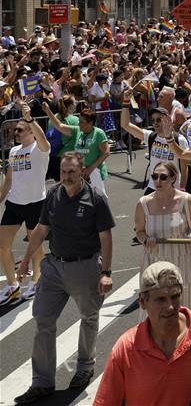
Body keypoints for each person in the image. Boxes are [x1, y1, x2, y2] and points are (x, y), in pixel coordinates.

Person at [13, 152, 114, 404]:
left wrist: (106, 273)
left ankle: (84, 367)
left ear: (81, 171)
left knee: (88, 317)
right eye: (63, 171)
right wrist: (25, 261)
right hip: (54, 267)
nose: (66, 176)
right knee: (43, 319)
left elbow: (106, 238)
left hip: (85, 266)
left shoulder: (96, 199)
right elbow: (41, 230)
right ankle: (42, 382)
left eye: (71, 171)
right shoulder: (53, 195)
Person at [93, 261, 191, 406]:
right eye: (161, 299)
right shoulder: (126, 349)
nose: (170, 306)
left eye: (175, 297)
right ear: (143, 302)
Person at [134, 161, 191, 317]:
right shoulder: (143, 203)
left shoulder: (187, 200)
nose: (158, 181)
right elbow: (140, 231)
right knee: (159, 308)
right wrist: (145, 239)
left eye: (163, 177)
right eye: (154, 176)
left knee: (189, 305)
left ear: (173, 178)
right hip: (156, 262)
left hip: (184, 261)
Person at [0, 102, 51, 305]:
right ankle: (12, 286)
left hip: (35, 203)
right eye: (15, 130)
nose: (16, 133)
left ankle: (37, 281)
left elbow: (44, 140)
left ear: (31, 131)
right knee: (3, 246)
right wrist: (1, 197)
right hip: (14, 204)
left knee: (36, 246)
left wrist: (30, 118)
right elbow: (9, 179)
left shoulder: (40, 149)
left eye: (20, 129)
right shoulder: (13, 152)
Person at [120, 93, 189, 192]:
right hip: (153, 187)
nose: (155, 123)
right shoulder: (150, 136)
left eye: (159, 120)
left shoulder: (180, 140)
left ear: (167, 119)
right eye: (153, 120)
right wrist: (126, 102)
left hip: (173, 188)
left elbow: (184, 168)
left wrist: (182, 189)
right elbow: (125, 124)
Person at [42, 104, 111, 199]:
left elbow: (106, 153)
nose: (79, 124)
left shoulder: (99, 133)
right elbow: (59, 126)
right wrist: (48, 111)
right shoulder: (77, 130)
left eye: (82, 122)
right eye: (79, 121)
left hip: (94, 173)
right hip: (80, 173)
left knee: (98, 199)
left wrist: (90, 168)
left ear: (90, 123)